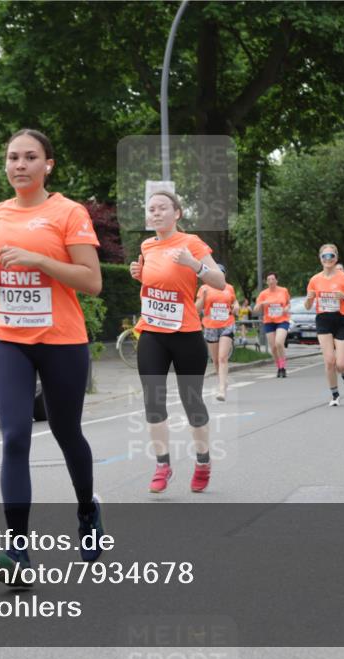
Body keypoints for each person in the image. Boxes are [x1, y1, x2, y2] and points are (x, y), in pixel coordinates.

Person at [0, 129, 105, 579]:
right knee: (14, 437)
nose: (20, 165)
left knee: (68, 432)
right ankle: (17, 551)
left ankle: (87, 509)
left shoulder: (68, 212)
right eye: (13, 157)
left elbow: (91, 281)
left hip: (62, 339)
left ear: (48, 164)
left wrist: (39, 261)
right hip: (8, 335)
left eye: (30, 157)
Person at [129, 191, 225, 495]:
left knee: (191, 401)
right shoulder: (147, 245)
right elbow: (157, 283)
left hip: (186, 335)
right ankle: (162, 465)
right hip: (152, 333)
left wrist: (194, 265)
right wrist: (139, 274)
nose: (155, 213)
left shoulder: (191, 243)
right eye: (151, 209)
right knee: (153, 399)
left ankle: (203, 462)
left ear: (177, 214)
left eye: (162, 208)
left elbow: (220, 282)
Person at [305, 244, 344, 406]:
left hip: (342, 319)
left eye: (331, 256)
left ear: (336, 258)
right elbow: (308, 306)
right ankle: (335, 394)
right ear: (320, 259)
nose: (328, 259)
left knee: (341, 363)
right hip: (323, 319)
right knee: (329, 361)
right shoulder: (315, 280)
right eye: (325, 256)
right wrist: (309, 298)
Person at [196, 264, 238, 401]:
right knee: (215, 360)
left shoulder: (229, 288)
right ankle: (222, 381)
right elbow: (196, 309)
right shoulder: (204, 288)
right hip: (210, 326)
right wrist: (203, 298)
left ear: (224, 275)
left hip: (227, 324)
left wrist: (236, 307)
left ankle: (221, 389)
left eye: (222, 273)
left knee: (222, 357)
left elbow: (235, 302)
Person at [254, 272, 290, 377]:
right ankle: (279, 367)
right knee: (273, 347)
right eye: (268, 280)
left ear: (276, 280)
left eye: (273, 279)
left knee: (279, 343)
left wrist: (286, 308)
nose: (271, 281)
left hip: (282, 320)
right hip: (269, 321)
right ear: (266, 282)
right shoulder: (263, 294)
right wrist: (261, 304)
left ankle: (283, 367)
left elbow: (288, 303)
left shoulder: (283, 290)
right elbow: (255, 309)